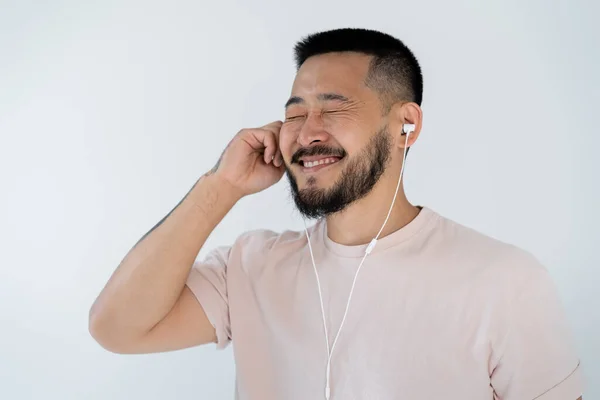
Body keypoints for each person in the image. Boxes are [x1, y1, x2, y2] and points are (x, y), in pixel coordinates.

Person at [89, 28, 583, 399]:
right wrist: (220, 188)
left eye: (334, 108)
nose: (306, 133)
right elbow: (116, 327)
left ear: (406, 125)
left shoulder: (504, 280)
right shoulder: (251, 266)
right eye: (295, 113)